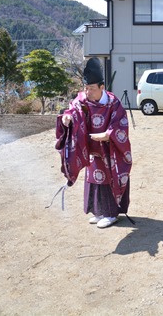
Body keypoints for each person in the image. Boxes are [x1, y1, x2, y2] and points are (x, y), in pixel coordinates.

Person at [58, 58, 133, 228]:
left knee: (109, 178)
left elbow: (121, 123)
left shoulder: (114, 103)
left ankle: (112, 214)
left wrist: (108, 135)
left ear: (102, 88)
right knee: (93, 178)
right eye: (86, 88)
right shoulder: (83, 99)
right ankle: (99, 212)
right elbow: (73, 108)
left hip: (110, 149)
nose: (88, 92)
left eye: (91, 88)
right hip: (92, 147)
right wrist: (67, 115)